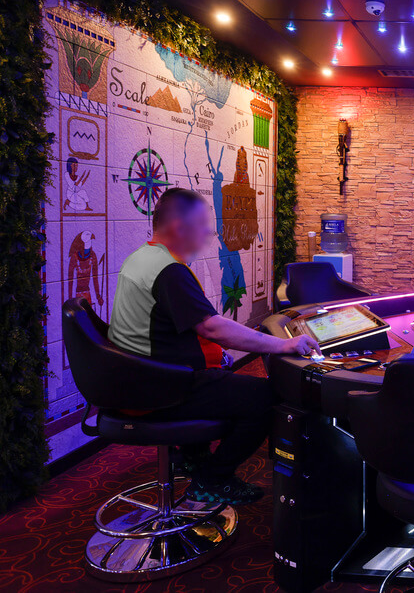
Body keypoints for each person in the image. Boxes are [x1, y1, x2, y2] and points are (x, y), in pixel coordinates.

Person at [108, 188, 320, 505]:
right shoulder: (169, 271)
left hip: (136, 380)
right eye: (204, 225)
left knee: (224, 377)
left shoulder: (143, 258)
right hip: (159, 389)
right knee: (267, 397)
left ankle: (193, 457)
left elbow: (175, 327)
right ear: (179, 227)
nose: (210, 233)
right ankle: (212, 479)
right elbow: (212, 327)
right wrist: (283, 344)